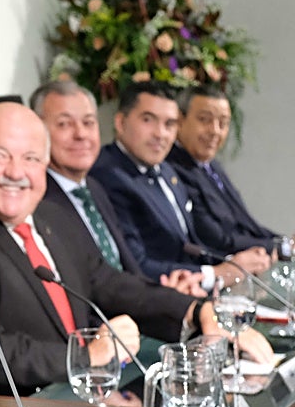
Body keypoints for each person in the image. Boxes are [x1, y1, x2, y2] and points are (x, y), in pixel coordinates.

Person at [0, 102, 272, 396]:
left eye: (31, 158)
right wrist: (83, 355)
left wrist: (196, 310)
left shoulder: (49, 211)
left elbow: (108, 283)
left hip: (88, 397)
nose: (16, 172)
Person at [88, 81, 270, 291]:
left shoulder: (165, 170)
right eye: (148, 120)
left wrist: (233, 263)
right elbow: (135, 265)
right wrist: (218, 273)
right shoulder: (107, 175)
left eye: (169, 124)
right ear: (120, 123)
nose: (160, 134)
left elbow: (190, 246)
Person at [29, 80, 205, 295]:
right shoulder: (36, 200)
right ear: (36, 131)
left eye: (88, 122)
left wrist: (167, 293)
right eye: (64, 124)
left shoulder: (93, 188)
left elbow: (128, 271)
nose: (81, 134)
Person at [169, 84, 286, 257]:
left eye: (223, 123)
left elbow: (246, 224)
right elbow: (217, 240)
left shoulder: (212, 165)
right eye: (204, 119)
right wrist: (280, 248)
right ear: (179, 120)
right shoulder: (173, 169)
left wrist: (282, 242)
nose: (215, 131)